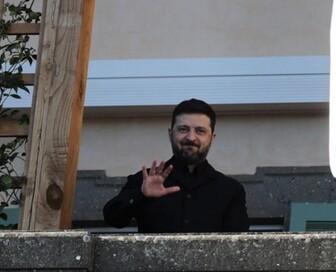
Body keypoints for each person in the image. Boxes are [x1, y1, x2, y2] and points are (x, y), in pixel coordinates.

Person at [103, 98, 249, 232]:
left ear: (212, 138)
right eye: (183, 129)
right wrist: (141, 195)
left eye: (200, 131)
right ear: (170, 134)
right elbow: (113, 219)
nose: (191, 138)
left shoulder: (230, 190)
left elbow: (241, 247)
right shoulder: (145, 179)